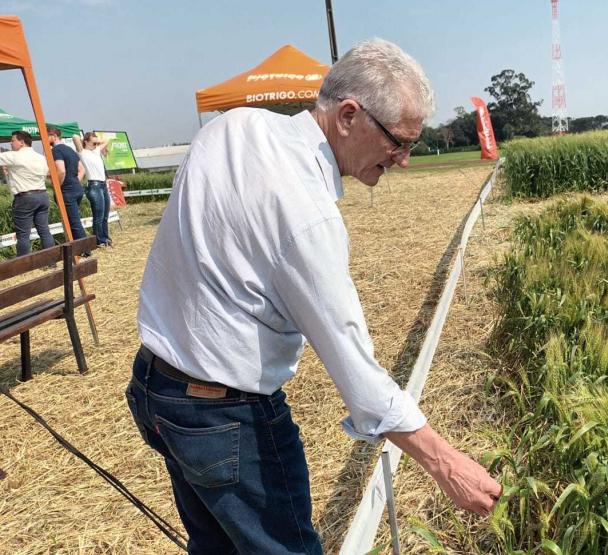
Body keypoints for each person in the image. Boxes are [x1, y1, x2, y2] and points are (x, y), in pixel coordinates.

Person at [126, 38, 501, 554]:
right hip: (225, 419)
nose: (404, 160)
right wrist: (446, 463)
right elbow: (358, 374)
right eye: (399, 142)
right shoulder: (307, 215)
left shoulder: (233, 127)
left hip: (157, 389)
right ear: (348, 115)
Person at [0, 131, 55, 256]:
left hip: (25, 198)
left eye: (12, 140)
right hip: (42, 195)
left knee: (23, 235)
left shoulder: (14, 156)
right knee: (44, 230)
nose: (10, 143)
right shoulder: (41, 158)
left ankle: (24, 265)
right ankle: (51, 261)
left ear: (21, 142)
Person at [47, 126, 89, 245]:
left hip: (66, 191)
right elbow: (82, 169)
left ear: (54, 136)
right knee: (74, 220)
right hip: (77, 189)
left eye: (46, 136)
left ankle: (85, 249)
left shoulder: (56, 151)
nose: (43, 139)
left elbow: (61, 171)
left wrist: (57, 187)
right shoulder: (70, 149)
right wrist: (75, 182)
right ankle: (79, 247)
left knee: (73, 222)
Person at [76, 132, 113, 247]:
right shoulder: (83, 152)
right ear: (86, 142)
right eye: (93, 143)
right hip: (94, 186)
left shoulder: (96, 151)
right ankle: (99, 240)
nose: (96, 145)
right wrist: (90, 141)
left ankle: (105, 238)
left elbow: (107, 139)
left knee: (105, 215)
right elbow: (75, 137)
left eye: (97, 143)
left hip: (103, 185)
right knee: (99, 216)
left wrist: (97, 142)